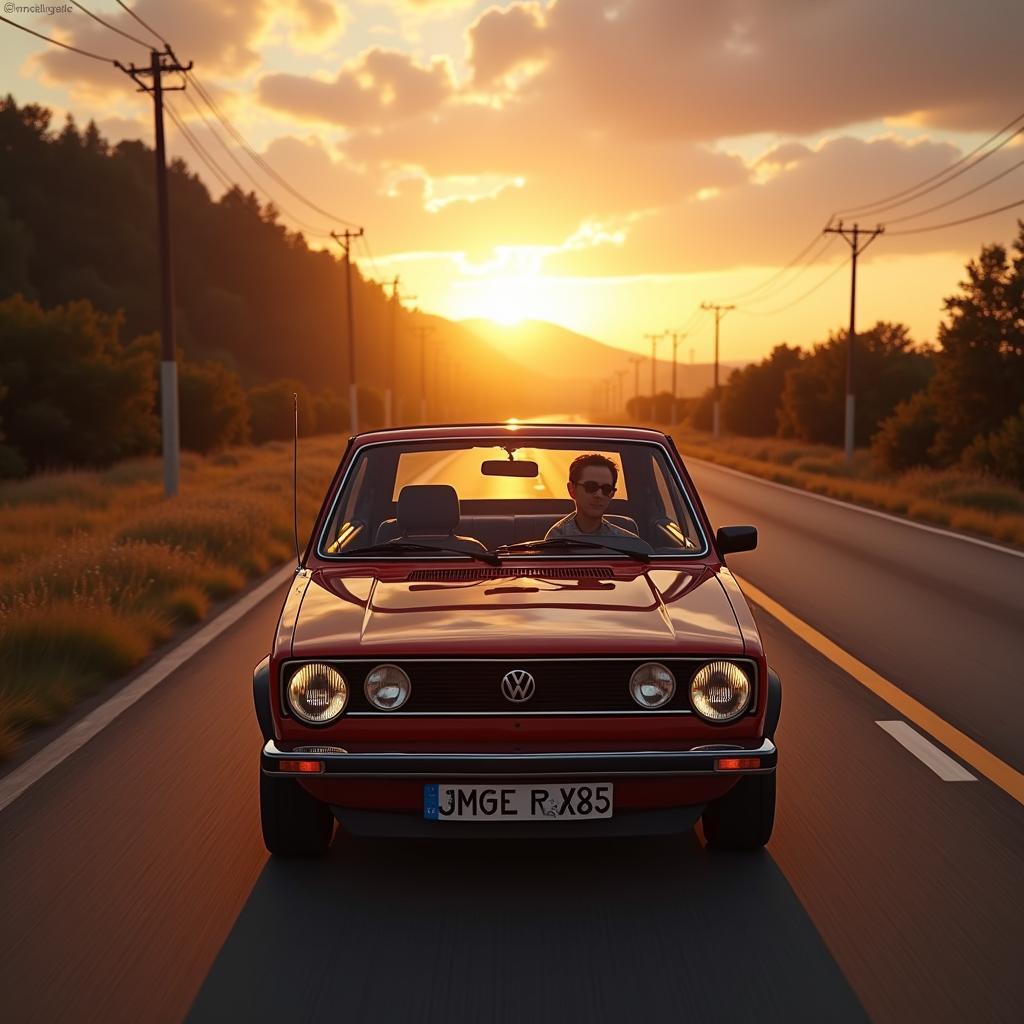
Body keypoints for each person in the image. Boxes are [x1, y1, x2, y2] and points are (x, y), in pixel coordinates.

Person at [544, 454, 638, 540]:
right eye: (591, 487)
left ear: (612, 494)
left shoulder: (628, 544)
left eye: (606, 489)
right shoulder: (556, 539)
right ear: (571, 489)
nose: (599, 495)